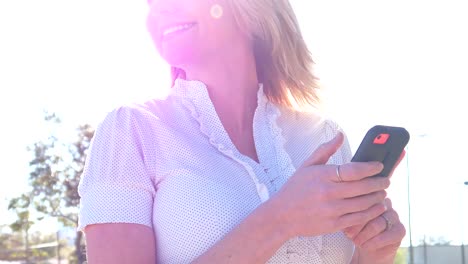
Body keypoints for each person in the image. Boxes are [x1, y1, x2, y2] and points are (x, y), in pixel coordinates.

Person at [78, 0, 406, 263]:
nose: (159, 7)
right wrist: (280, 221)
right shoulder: (132, 131)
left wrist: (372, 255)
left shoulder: (324, 136)